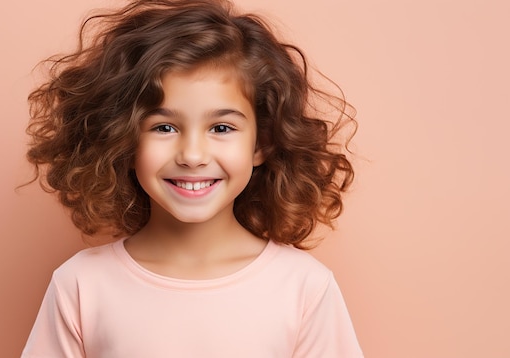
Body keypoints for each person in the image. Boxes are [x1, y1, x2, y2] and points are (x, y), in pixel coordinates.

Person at [21, 0, 363, 356]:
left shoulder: (304, 287)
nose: (193, 156)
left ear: (261, 143)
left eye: (221, 127)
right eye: (164, 127)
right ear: (122, 139)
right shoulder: (80, 285)